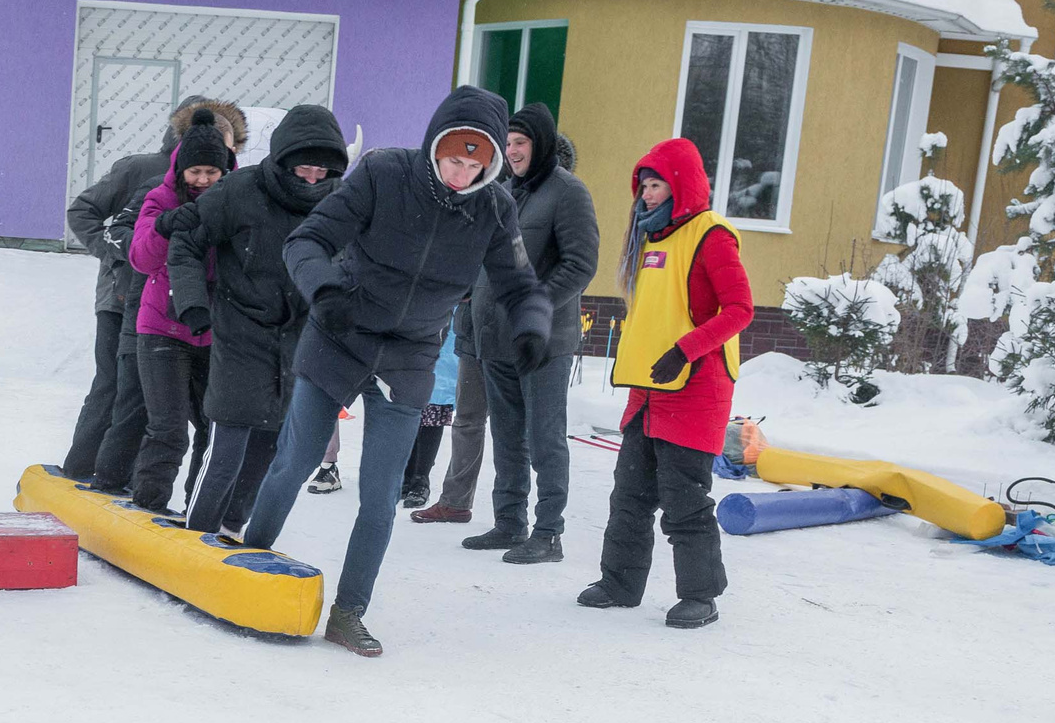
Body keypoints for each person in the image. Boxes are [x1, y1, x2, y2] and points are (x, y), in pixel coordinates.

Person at [240, 85, 551, 657]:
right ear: (434, 146)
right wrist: (325, 289)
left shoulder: (494, 208)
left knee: (381, 492)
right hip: (341, 332)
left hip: (409, 355)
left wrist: (532, 327)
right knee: (297, 459)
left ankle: (348, 611)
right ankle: (245, 565)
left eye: (474, 164)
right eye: (453, 159)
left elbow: (520, 285)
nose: (461, 173)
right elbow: (307, 240)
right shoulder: (384, 173)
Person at [581, 135, 751, 628]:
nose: (648, 195)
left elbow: (739, 309)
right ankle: (619, 583)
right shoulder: (652, 238)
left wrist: (686, 351)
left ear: (681, 185)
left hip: (696, 388)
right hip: (648, 391)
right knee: (629, 495)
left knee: (684, 500)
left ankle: (701, 596)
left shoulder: (711, 235)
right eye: (644, 187)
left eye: (656, 185)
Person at [166, 104, 347, 536]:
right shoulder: (240, 190)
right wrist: (193, 304)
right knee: (228, 439)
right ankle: (197, 532)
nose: (310, 178)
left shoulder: (340, 203)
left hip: (301, 336)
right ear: (284, 158)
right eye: (303, 168)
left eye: (321, 171)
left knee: (272, 443)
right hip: (239, 327)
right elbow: (186, 243)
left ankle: (231, 527)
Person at [434, 103, 601, 563]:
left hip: (544, 342)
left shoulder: (568, 193)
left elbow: (581, 263)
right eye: (506, 144)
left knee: (545, 438)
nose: (511, 152)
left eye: (520, 143)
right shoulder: (499, 191)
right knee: (507, 437)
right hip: (494, 338)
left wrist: (536, 309)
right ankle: (509, 523)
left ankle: (549, 533)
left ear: (540, 144)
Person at [63, 97, 245, 493]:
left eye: (227, 146)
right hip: (124, 300)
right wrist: (119, 259)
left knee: (181, 413)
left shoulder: (233, 190)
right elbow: (89, 215)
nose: (203, 176)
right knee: (119, 392)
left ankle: (147, 491)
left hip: (198, 318)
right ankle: (83, 476)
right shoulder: (145, 171)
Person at [125, 110, 235, 512]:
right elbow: (139, 258)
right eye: (195, 171)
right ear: (181, 168)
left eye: (211, 172)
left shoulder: (235, 199)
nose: (203, 180)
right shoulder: (161, 198)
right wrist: (165, 225)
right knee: (168, 430)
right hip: (161, 330)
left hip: (215, 331)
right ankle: (148, 506)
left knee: (213, 428)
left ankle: (198, 510)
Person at [397, 340, 465, 508]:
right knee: (409, 407)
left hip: (443, 342)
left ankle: (421, 479)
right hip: (414, 339)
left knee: (434, 405)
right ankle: (406, 474)